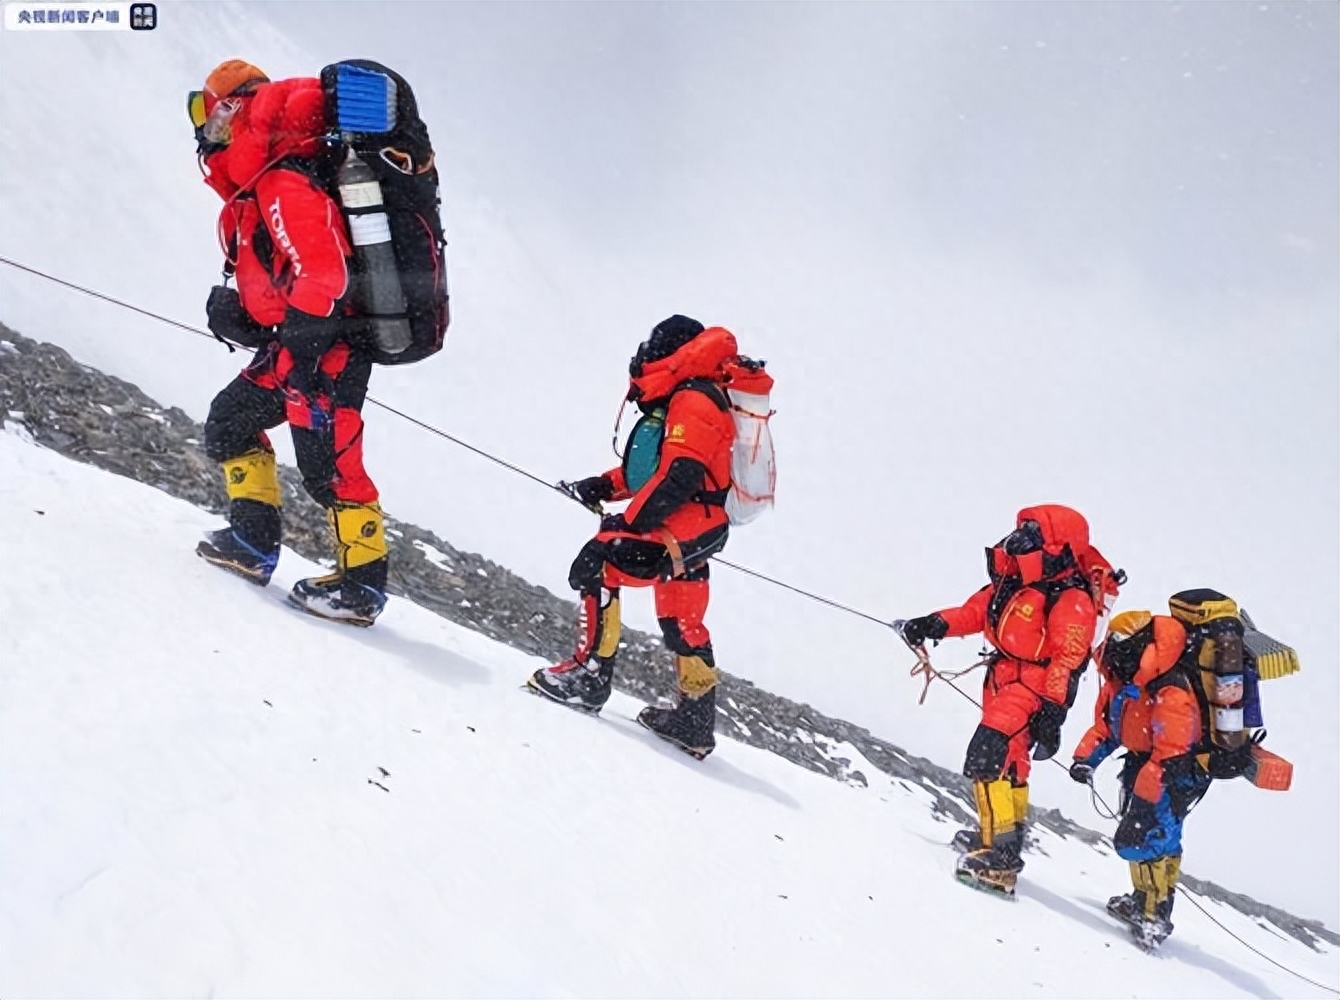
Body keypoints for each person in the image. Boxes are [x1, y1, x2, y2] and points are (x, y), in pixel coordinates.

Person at [188, 59, 389, 626]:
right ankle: (251, 544)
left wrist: (297, 345)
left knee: (331, 465)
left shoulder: (280, 178)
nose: (204, 127)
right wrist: (246, 319)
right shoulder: (260, 181)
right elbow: (288, 278)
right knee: (230, 421)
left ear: (232, 108)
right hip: (299, 347)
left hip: (330, 351)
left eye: (207, 110)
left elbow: (325, 275)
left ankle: (362, 588)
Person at [527, 316, 738, 759]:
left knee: (599, 561)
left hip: (684, 521)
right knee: (683, 616)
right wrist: (601, 487)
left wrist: (626, 524)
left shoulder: (693, 399)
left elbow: (678, 476)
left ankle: (589, 676)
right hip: (698, 525)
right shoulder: (700, 395)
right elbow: (657, 468)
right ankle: (694, 722)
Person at [898, 505, 1116, 895]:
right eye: (1024, 527)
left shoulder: (1072, 599)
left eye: (1035, 530)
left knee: (988, 753)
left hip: (1032, 686)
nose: (1022, 537)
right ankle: (996, 842)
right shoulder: (1013, 579)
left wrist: (1053, 711)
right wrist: (931, 624)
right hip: (1002, 677)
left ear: (1058, 543)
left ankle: (1000, 860)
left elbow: (1068, 656)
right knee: (1012, 763)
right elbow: (974, 613)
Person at [1069, 609, 1210, 950]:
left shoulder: (1170, 685)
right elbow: (1110, 727)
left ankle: (1155, 916)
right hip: (1144, 766)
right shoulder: (1126, 681)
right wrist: (1085, 759)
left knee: (1156, 836)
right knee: (1142, 835)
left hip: (1173, 775)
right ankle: (1141, 902)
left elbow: (1172, 750)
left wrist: (1148, 798)